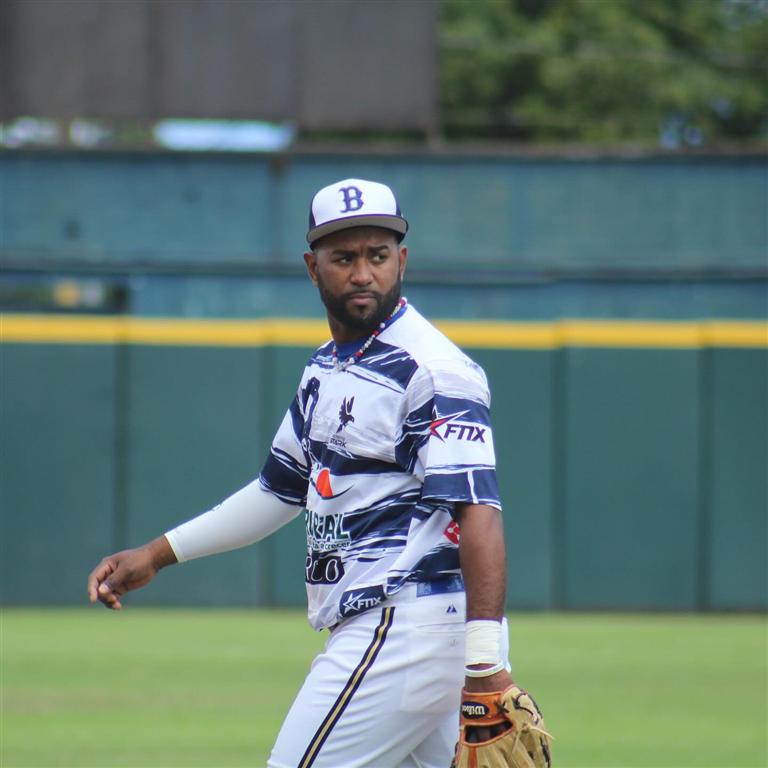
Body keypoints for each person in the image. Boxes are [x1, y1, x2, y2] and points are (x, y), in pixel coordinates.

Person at [87, 179, 548, 768]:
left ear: (401, 260)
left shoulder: (433, 369)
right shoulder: (325, 370)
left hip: (405, 626)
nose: (362, 273)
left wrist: (485, 665)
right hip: (404, 630)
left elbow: (478, 510)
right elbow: (276, 492)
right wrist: (155, 554)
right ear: (313, 267)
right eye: (344, 257)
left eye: (377, 256)